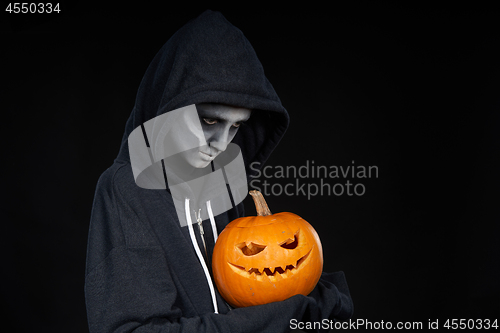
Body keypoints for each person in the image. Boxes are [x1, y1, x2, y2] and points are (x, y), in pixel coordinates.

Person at [84, 10, 353, 333]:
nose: (221, 143)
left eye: (236, 126)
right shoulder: (125, 190)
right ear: (169, 105)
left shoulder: (225, 178)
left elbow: (250, 287)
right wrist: (288, 316)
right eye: (209, 121)